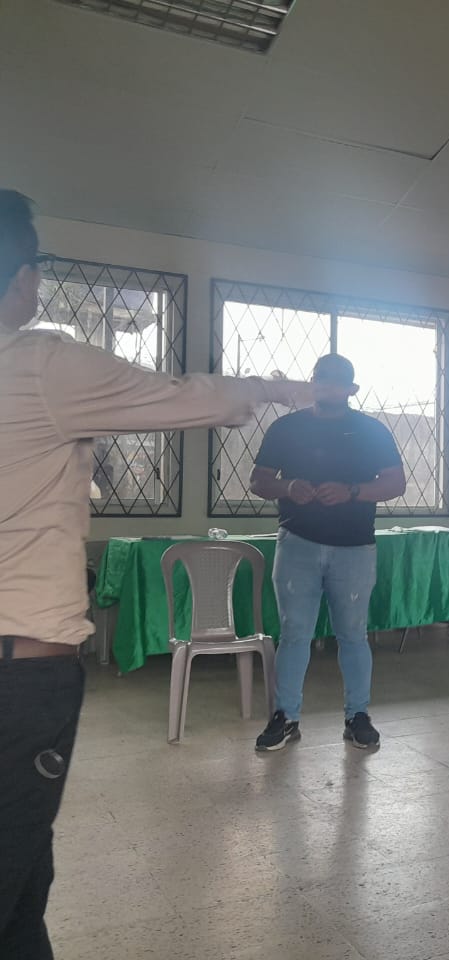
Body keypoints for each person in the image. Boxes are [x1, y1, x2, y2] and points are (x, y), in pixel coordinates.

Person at [0, 189, 311, 958]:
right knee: (11, 878)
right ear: (24, 276)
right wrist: (274, 388)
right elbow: (183, 398)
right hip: (20, 674)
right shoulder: (36, 363)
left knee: (22, 878)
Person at [249, 354, 406, 752]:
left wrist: (352, 491)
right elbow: (258, 480)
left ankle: (358, 716)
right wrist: (289, 487)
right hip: (297, 543)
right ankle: (286, 716)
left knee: (353, 635)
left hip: (354, 548)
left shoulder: (371, 431)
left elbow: (395, 483)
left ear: (352, 389)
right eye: (321, 377)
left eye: (337, 380)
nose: (327, 385)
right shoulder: (286, 427)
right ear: (313, 382)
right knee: (294, 634)